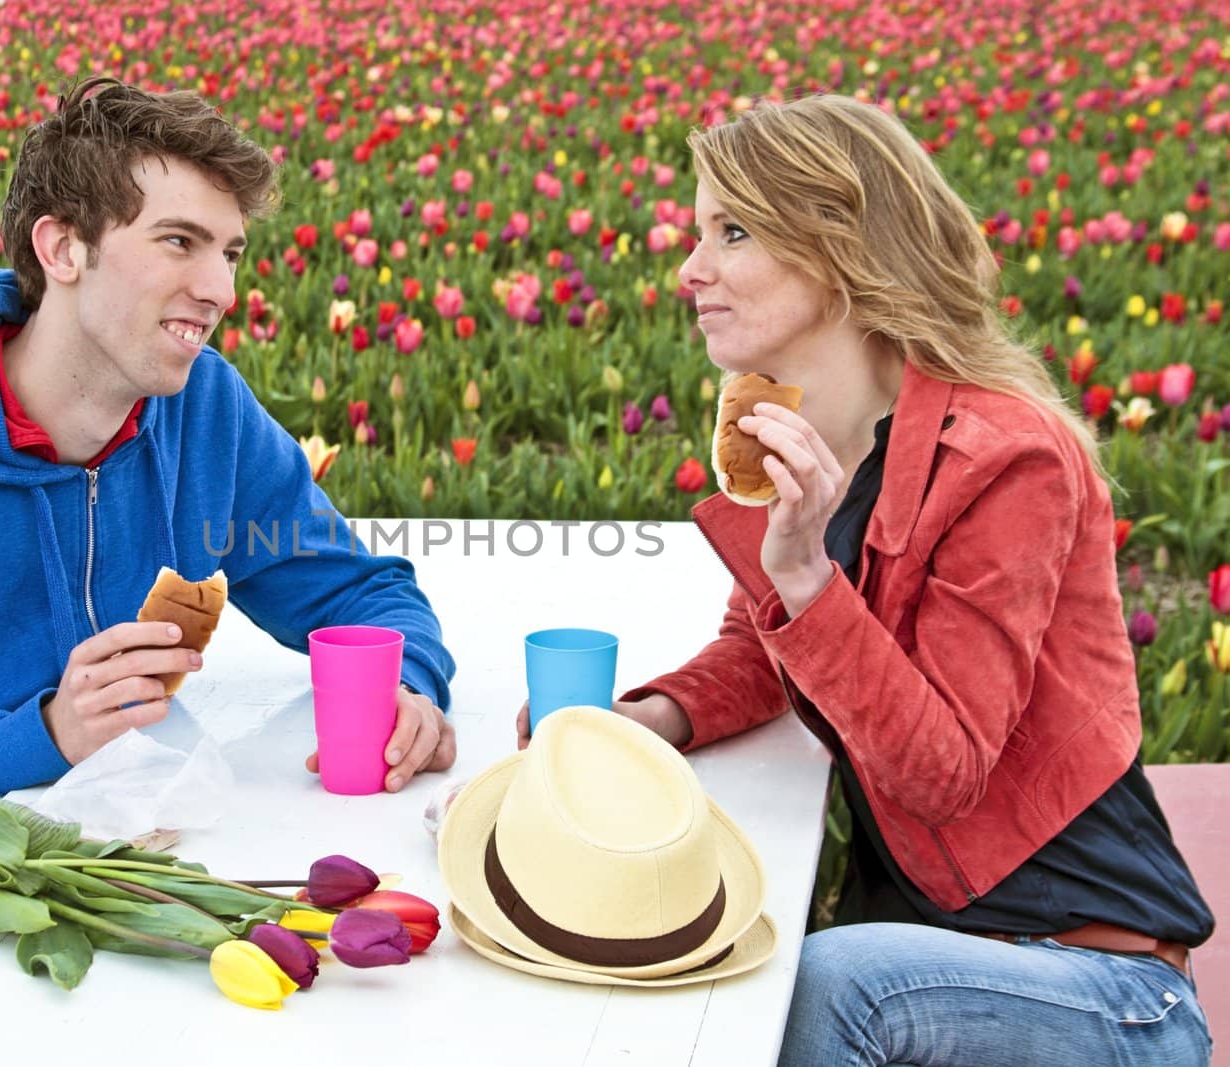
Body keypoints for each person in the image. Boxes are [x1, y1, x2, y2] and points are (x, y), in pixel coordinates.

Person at [0, 77, 457, 1014]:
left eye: (230, 251)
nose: (223, 288)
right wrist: (45, 734)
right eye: (179, 243)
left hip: (101, 835)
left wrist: (411, 688)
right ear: (62, 246)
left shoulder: (203, 412)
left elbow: (359, 592)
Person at [518, 94, 1213, 1065]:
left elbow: (941, 771)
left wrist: (804, 574)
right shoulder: (800, 437)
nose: (690, 267)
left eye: (733, 230)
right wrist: (645, 720)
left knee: (823, 988)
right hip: (938, 950)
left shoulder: (1010, 461)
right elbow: (764, 653)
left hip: (1097, 985)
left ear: (837, 247)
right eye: (697, 230)